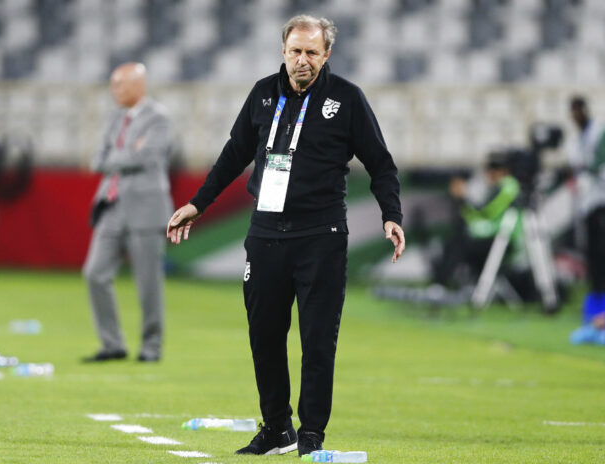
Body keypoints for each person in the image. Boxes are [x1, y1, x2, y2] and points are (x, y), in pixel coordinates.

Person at [167, 14, 405, 457]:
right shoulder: (262, 94)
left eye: (312, 52)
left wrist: (391, 214)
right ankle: (277, 427)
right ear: (283, 51)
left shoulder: (347, 99)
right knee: (265, 336)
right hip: (265, 234)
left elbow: (381, 163)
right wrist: (198, 204)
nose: (302, 60)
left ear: (326, 55)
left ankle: (312, 431)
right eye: (295, 51)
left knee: (317, 339)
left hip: (322, 236)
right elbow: (233, 155)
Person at [82, 62, 175, 363]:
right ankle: (112, 344)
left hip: (146, 208)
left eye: (120, 84)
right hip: (111, 205)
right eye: (113, 84)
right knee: (95, 273)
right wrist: (124, 155)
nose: (114, 90)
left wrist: (116, 157)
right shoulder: (115, 117)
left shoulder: (158, 117)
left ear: (139, 85)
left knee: (148, 281)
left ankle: (151, 346)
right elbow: (97, 161)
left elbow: (147, 156)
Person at [433, 151, 521, 288]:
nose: (489, 173)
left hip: (502, 241)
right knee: (455, 242)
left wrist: (464, 196)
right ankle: (461, 286)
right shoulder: (501, 186)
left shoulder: (509, 186)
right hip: (495, 238)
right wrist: (462, 202)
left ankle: (439, 286)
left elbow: (488, 211)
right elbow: (479, 215)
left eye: (492, 169)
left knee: (457, 245)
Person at [568, 96, 605, 294]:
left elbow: (602, 162)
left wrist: (585, 171)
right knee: (593, 250)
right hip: (589, 201)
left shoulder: (600, 131)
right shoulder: (578, 138)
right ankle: (598, 290)